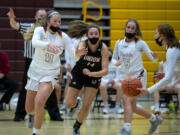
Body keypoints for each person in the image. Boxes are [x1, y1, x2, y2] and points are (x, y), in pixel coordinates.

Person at [25, 10, 86, 135]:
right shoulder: (40, 31)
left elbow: (74, 56)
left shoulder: (63, 37)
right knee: (30, 108)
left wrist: (78, 55)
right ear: (48, 21)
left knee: (40, 102)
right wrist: (48, 45)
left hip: (51, 73)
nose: (58, 23)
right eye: (55, 21)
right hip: (35, 71)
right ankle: (32, 115)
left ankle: (35, 132)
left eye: (59, 21)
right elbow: (35, 43)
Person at [7, 8, 63, 122]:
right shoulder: (29, 27)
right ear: (35, 17)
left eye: (44, 16)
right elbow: (15, 25)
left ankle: (54, 115)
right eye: (40, 16)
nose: (41, 18)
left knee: (49, 89)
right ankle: (20, 114)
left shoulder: (50, 30)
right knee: (26, 89)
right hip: (31, 62)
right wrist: (11, 18)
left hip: (47, 63)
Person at [111, 19, 163, 135]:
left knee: (127, 100)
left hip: (138, 76)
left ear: (136, 31)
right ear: (125, 28)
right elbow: (114, 58)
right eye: (128, 27)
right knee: (132, 106)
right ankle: (154, 119)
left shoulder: (140, 43)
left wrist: (154, 56)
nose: (129, 29)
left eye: (132, 28)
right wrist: (116, 63)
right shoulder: (118, 43)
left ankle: (126, 129)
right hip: (127, 77)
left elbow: (152, 58)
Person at [65, 21, 109, 135]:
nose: (93, 36)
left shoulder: (103, 48)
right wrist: (77, 54)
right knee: (69, 104)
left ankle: (76, 127)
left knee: (86, 107)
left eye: (96, 34)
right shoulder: (82, 44)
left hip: (93, 76)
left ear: (99, 35)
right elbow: (75, 56)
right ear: (87, 35)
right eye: (91, 34)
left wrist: (91, 74)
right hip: (79, 73)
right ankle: (77, 101)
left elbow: (105, 71)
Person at [139, 24, 180, 111]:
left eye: (156, 33)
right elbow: (177, 69)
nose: (154, 35)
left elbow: (168, 78)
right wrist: (165, 74)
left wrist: (149, 90)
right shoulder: (170, 46)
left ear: (162, 35)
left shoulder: (172, 50)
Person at [100, 48, 124, 114]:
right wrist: (107, 81)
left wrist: (113, 80)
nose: (108, 54)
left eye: (109, 52)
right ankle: (106, 106)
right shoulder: (101, 62)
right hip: (104, 81)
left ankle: (117, 106)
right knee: (102, 86)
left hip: (114, 81)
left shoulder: (115, 62)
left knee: (120, 86)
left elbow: (118, 75)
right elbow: (100, 75)